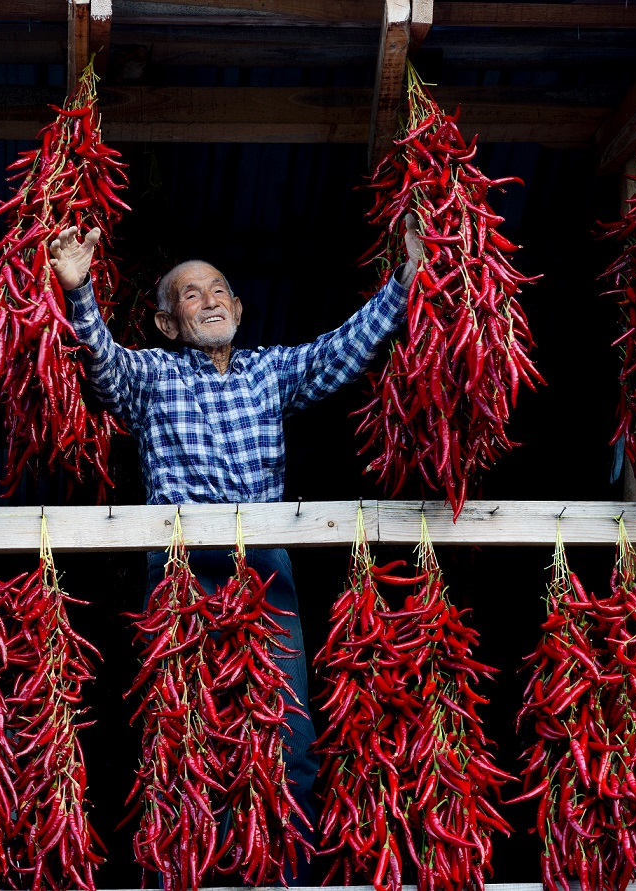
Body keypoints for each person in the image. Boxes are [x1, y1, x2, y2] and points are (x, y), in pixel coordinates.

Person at [49, 218, 422, 873]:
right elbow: (103, 365)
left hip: (264, 566)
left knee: (287, 733)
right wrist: (79, 291)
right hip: (181, 567)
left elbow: (342, 349)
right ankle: (189, 874)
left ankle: (284, 876)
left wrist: (406, 278)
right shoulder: (152, 375)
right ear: (167, 323)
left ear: (240, 308)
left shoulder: (269, 371)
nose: (210, 300)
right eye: (191, 295)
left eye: (219, 290)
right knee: (186, 731)